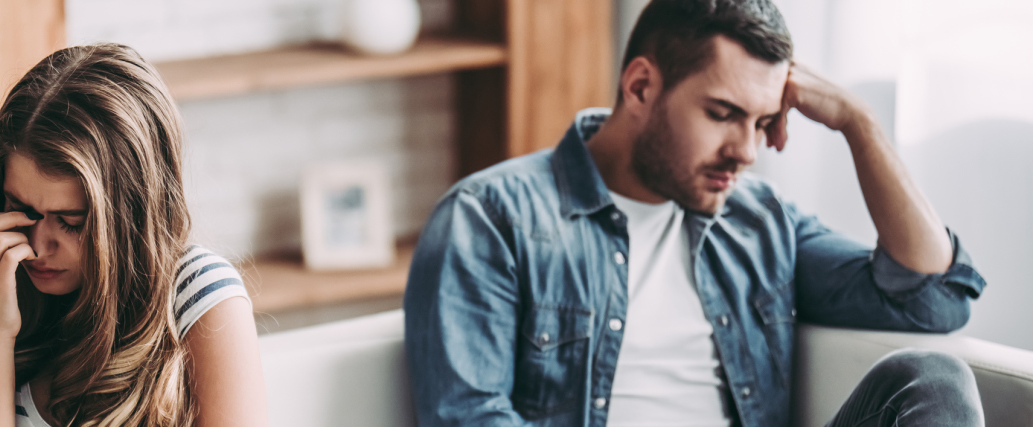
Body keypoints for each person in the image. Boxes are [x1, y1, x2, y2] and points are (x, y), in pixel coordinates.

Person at [402, 1, 987, 426]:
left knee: (932, 382)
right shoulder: (492, 219)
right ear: (640, 87)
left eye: (762, 122)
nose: (747, 151)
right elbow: (469, 418)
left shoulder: (755, 219)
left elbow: (932, 298)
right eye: (722, 113)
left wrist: (859, 123)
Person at [0, 44, 267, 427]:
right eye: (20, 209)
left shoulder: (196, 299)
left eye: (71, 222)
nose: (37, 247)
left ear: (132, 218)